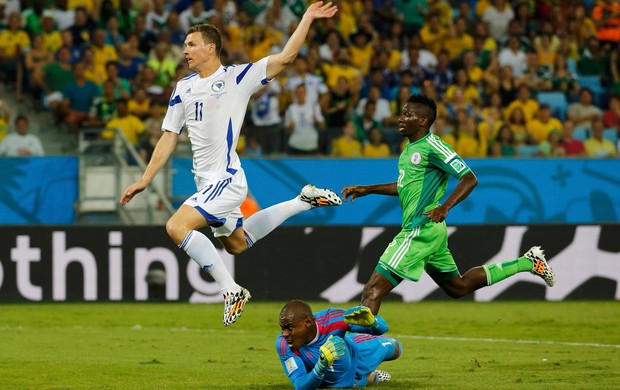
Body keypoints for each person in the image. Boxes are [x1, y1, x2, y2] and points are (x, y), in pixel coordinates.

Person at [120, 2, 340, 326]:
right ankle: (302, 201)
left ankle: (231, 290)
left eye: (190, 44)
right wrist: (145, 178)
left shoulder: (237, 77)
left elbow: (285, 58)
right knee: (237, 244)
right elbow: (168, 136)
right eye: (184, 45)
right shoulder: (183, 89)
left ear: (211, 47)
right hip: (205, 183)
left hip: (226, 178)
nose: (185, 51)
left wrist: (306, 17)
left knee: (176, 227)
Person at [341, 94, 555, 315]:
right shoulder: (409, 150)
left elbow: (469, 178)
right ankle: (528, 262)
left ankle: (361, 348)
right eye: (402, 113)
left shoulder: (434, 146)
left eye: (407, 114)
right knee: (458, 287)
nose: (400, 119)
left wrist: (445, 206)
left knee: (372, 291)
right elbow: (405, 186)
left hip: (420, 228)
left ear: (423, 121)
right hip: (431, 231)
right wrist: (368, 189)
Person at [276, 300, 401, 389]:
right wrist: (321, 366)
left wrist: (372, 323)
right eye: (282, 329)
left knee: (396, 347)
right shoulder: (284, 345)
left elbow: (383, 327)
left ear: (307, 322)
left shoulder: (333, 319)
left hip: (355, 353)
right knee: (358, 382)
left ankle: (367, 370)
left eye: (290, 328)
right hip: (331, 379)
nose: (284, 334)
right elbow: (300, 385)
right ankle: (373, 376)